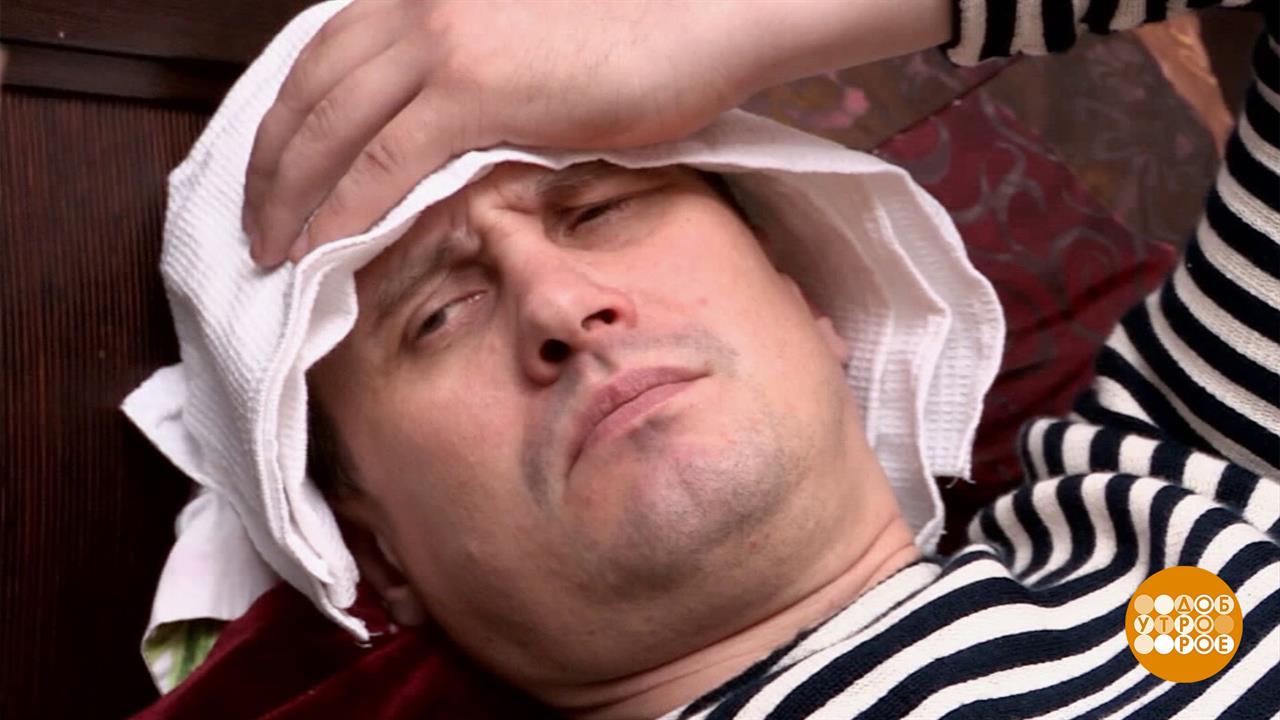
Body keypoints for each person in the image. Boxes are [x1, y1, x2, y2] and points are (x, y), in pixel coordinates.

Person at [226, 0, 1275, 718]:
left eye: (597, 210)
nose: (561, 303)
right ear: (379, 553)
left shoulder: (1161, 497)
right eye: (438, 315)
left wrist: (713, 20)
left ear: (811, 301)